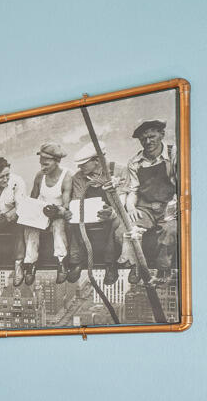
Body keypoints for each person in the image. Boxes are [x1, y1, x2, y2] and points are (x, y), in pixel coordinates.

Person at [67, 146, 128, 285]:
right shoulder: (78, 177)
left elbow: (122, 200)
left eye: (84, 164)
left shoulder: (118, 170)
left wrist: (111, 212)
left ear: (97, 160)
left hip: (114, 212)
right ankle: (76, 261)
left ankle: (110, 264)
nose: (80, 167)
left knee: (115, 226)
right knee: (74, 223)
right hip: (89, 213)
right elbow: (77, 200)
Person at [130, 119, 178, 270]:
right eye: (143, 139)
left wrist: (174, 208)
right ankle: (135, 267)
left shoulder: (174, 154)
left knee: (171, 230)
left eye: (152, 137)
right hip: (145, 208)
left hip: (169, 207)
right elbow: (133, 190)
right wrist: (131, 207)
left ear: (162, 134)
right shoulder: (135, 162)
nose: (148, 141)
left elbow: (182, 186)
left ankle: (163, 268)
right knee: (131, 229)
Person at [26, 143, 72, 279]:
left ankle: (61, 261)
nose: (42, 168)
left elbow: (66, 204)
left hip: (58, 213)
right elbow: (32, 199)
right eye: (41, 164)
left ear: (56, 162)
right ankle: (30, 262)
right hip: (43, 213)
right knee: (31, 227)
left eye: (46, 164)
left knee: (58, 225)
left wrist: (58, 210)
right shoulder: (40, 176)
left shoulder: (67, 176)